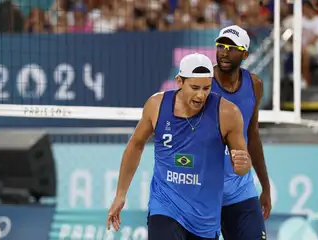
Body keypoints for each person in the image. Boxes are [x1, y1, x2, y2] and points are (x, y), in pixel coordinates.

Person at [107, 53, 252, 240]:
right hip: (165, 206)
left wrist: (243, 165)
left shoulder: (227, 113)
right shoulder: (156, 105)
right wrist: (120, 194)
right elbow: (135, 145)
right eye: (195, 87)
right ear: (179, 81)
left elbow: (243, 165)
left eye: (206, 88)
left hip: (204, 218)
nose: (201, 95)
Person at [211, 25, 272, 239]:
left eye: (232, 47)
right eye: (221, 46)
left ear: (245, 54)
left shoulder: (254, 84)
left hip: (240, 191)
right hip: (203, 192)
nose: (224, 52)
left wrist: (265, 186)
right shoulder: (202, 83)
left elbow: (253, 135)